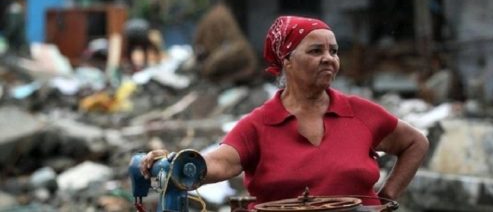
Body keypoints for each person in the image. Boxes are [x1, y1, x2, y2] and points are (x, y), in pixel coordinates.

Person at [141, 16, 429, 208]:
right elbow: (221, 163)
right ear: (287, 60)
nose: (329, 59)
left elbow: (415, 142)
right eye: (316, 51)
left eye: (334, 51)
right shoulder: (259, 124)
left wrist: (386, 198)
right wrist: (177, 162)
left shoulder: (361, 114)